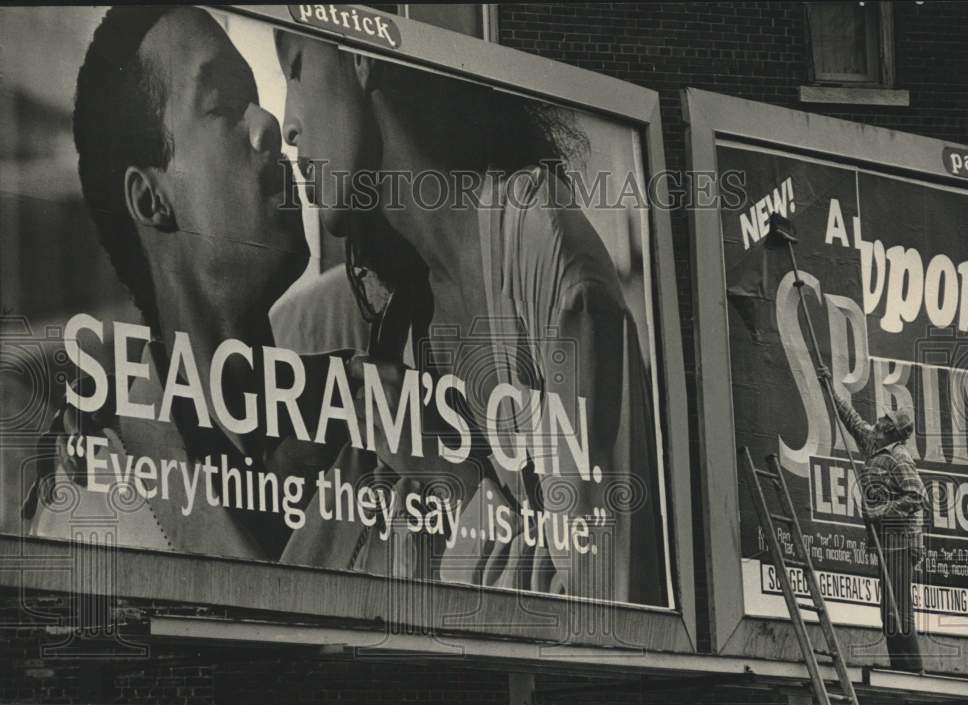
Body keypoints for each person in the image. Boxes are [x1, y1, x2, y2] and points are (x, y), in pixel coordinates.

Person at [274, 31, 668, 605]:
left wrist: (447, 474)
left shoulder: (545, 250)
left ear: (359, 56)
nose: (287, 125)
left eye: (296, 70)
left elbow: (609, 605)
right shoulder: (406, 325)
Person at [22, 6, 345, 561]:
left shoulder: (374, 419)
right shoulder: (91, 514)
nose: (267, 124)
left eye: (256, 97)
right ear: (151, 200)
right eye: (222, 104)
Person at [817, 366, 927, 673]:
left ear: (892, 431)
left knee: (898, 608)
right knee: (888, 610)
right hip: (886, 539)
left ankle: (912, 670)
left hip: (901, 541)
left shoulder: (898, 457)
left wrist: (880, 512)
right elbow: (850, 419)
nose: (878, 421)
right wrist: (829, 386)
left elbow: (917, 496)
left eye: (885, 421)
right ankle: (901, 667)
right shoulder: (872, 443)